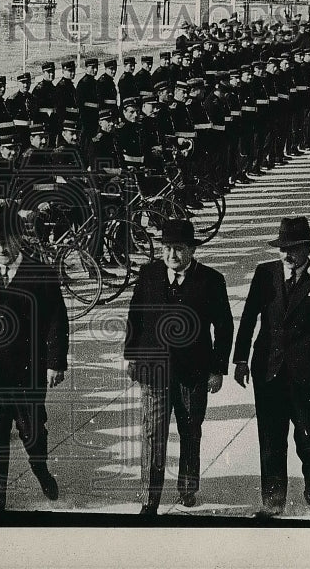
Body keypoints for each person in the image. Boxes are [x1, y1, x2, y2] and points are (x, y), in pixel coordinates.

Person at [233, 217, 310, 515]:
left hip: (307, 372)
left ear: (308, 249)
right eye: (283, 248)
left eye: (294, 249)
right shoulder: (265, 273)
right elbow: (248, 318)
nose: (287, 255)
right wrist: (241, 359)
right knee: (271, 439)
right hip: (268, 369)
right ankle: (273, 503)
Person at [124, 219, 234, 514]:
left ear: (191, 250)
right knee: (153, 434)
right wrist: (131, 356)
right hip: (154, 372)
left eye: (179, 249)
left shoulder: (211, 280)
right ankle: (150, 499)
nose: (172, 255)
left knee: (190, 431)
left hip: (194, 374)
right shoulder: (148, 275)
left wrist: (217, 369)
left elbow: (224, 328)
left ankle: (187, 488)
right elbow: (135, 316)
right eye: (167, 249)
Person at [0, 212, 69, 510]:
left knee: (32, 431)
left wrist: (54, 363)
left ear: (19, 239)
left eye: (6, 241)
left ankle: (40, 468)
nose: (1, 249)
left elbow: (56, 323)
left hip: (28, 372)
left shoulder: (41, 274)